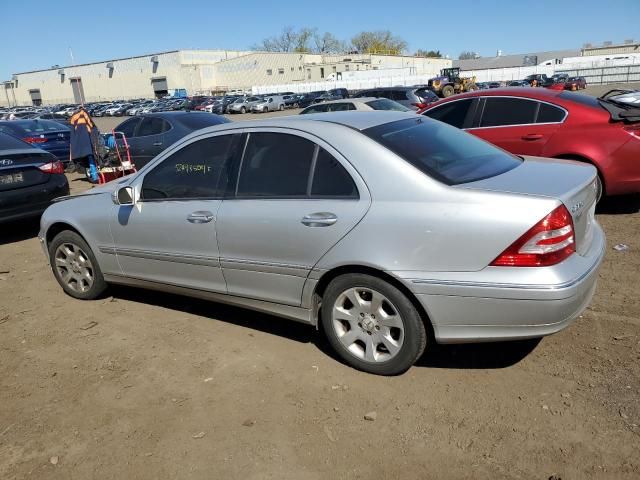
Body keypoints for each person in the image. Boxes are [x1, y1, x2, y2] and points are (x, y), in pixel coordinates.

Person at [69, 106, 101, 182]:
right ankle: (95, 176)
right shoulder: (84, 114)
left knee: (88, 159)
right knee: (92, 158)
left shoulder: (73, 117)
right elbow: (91, 126)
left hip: (79, 142)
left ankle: (94, 176)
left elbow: (72, 131)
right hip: (87, 140)